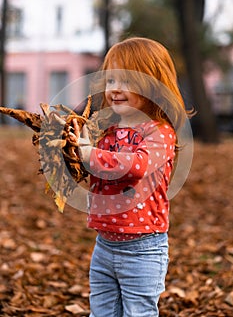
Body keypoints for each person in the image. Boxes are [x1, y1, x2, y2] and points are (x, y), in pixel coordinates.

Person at [69, 37, 192, 317]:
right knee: (101, 312)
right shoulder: (111, 131)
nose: (115, 89)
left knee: (138, 313)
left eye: (127, 80)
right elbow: (97, 169)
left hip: (143, 249)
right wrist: (74, 153)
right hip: (104, 245)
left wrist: (91, 155)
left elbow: (135, 166)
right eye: (111, 80)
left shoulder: (159, 133)